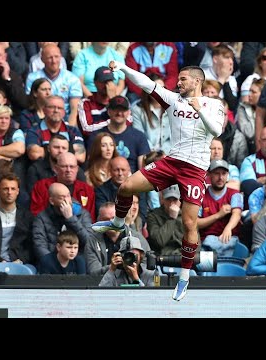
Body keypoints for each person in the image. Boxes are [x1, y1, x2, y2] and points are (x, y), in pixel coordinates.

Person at [92, 60, 224, 301]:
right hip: (171, 161)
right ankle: (119, 223)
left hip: (195, 169)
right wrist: (122, 67)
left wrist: (199, 109)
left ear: (197, 81)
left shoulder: (213, 104)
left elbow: (216, 131)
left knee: (189, 224)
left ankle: (184, 277)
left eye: (183, 79)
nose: (178, 82)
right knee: (126, 187)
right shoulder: (174, 100)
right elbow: (146, 83)